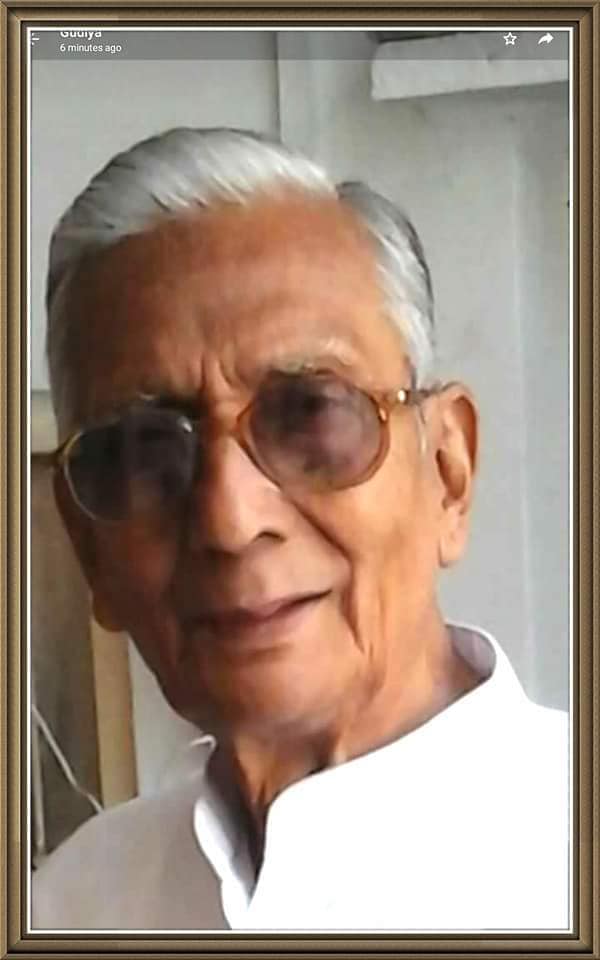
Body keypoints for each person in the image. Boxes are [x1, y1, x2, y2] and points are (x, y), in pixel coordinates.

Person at [32, 128, 568, 932]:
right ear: (88, 548)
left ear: (448, 473)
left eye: (310, 414)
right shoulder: (73, 907)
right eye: (145, 448)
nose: (229, 520)